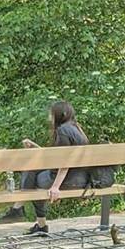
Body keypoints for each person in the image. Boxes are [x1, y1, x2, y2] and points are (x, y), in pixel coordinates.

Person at [9, 100, 112, 235]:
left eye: (51, 114)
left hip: (69, 180)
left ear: (59, 115)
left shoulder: (63, 131)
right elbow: (58, 158)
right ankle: (24, 213)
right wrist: (36, 147)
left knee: (31, 172)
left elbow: (65, 162)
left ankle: (19, 209)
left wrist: (55, 187)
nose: (50, 118)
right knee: (33, 170)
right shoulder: (77, 129)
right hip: (83, 179)